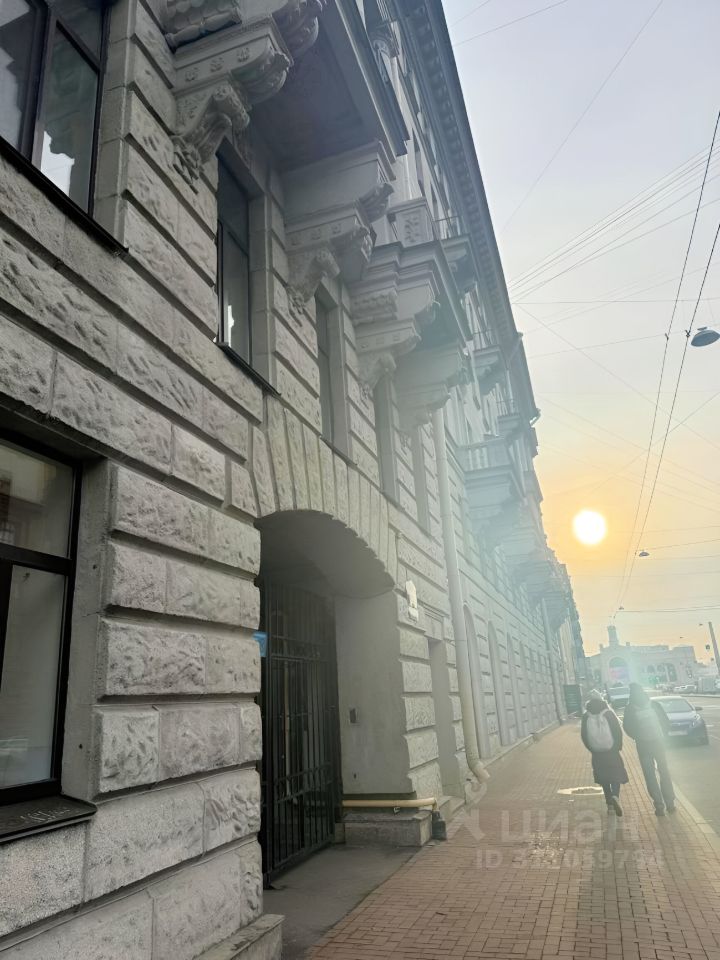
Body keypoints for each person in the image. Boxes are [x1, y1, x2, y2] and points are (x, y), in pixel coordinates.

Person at [622, 682, 675, 816]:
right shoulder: (653, 704)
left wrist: (637, 737)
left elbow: (627, 727)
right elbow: (666, 721)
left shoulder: (630, 708)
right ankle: (670, 803)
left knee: (649, 775)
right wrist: (662, 735)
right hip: (658, 743)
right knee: (664, 771)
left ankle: (659, 805)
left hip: (643, 746)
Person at [580, 690, 627, 816]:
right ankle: (615, 796)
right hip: (612, 752)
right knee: (615, 774)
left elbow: (584, 735)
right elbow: (617, 731)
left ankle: (609, 806)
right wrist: (617, 747)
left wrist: (592, 749)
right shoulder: (608, 714)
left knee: (604, 778)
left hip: (597, 754)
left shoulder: (586, 716)